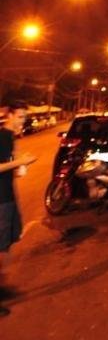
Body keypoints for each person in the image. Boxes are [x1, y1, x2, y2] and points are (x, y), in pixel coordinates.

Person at [0, 102, 37, 318]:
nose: (23, 121)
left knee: (6, 243)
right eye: (20, 117)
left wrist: (21, 165)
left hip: (8, 196)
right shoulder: (2, 136)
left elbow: (11, 167)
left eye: (25, 117)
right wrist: (20, 162)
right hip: (1, 200)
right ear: (10, 116)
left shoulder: (11, 138)